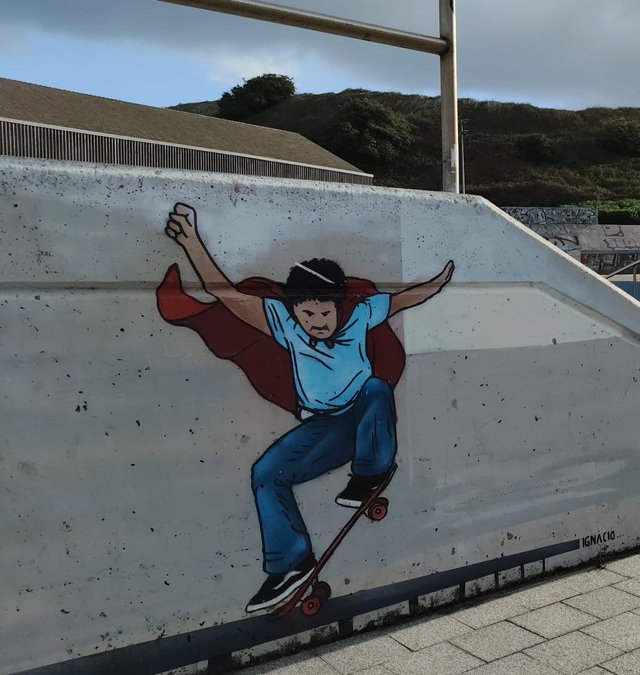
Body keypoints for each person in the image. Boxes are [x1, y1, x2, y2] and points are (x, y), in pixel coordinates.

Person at [162, 202, 453, 612]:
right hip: (327, 428)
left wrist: (440, 281)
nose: (316, 322)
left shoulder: (359, 316)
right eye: (307, 314)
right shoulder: (283, 323)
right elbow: (223, 293)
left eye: (323, 312)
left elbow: (404, 300)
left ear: (339, 307)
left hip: (366, 418)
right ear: (293, 311)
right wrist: (191, 240)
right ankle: (292, 561)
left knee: (375, 388)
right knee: (266, 474)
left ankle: (371, 471)